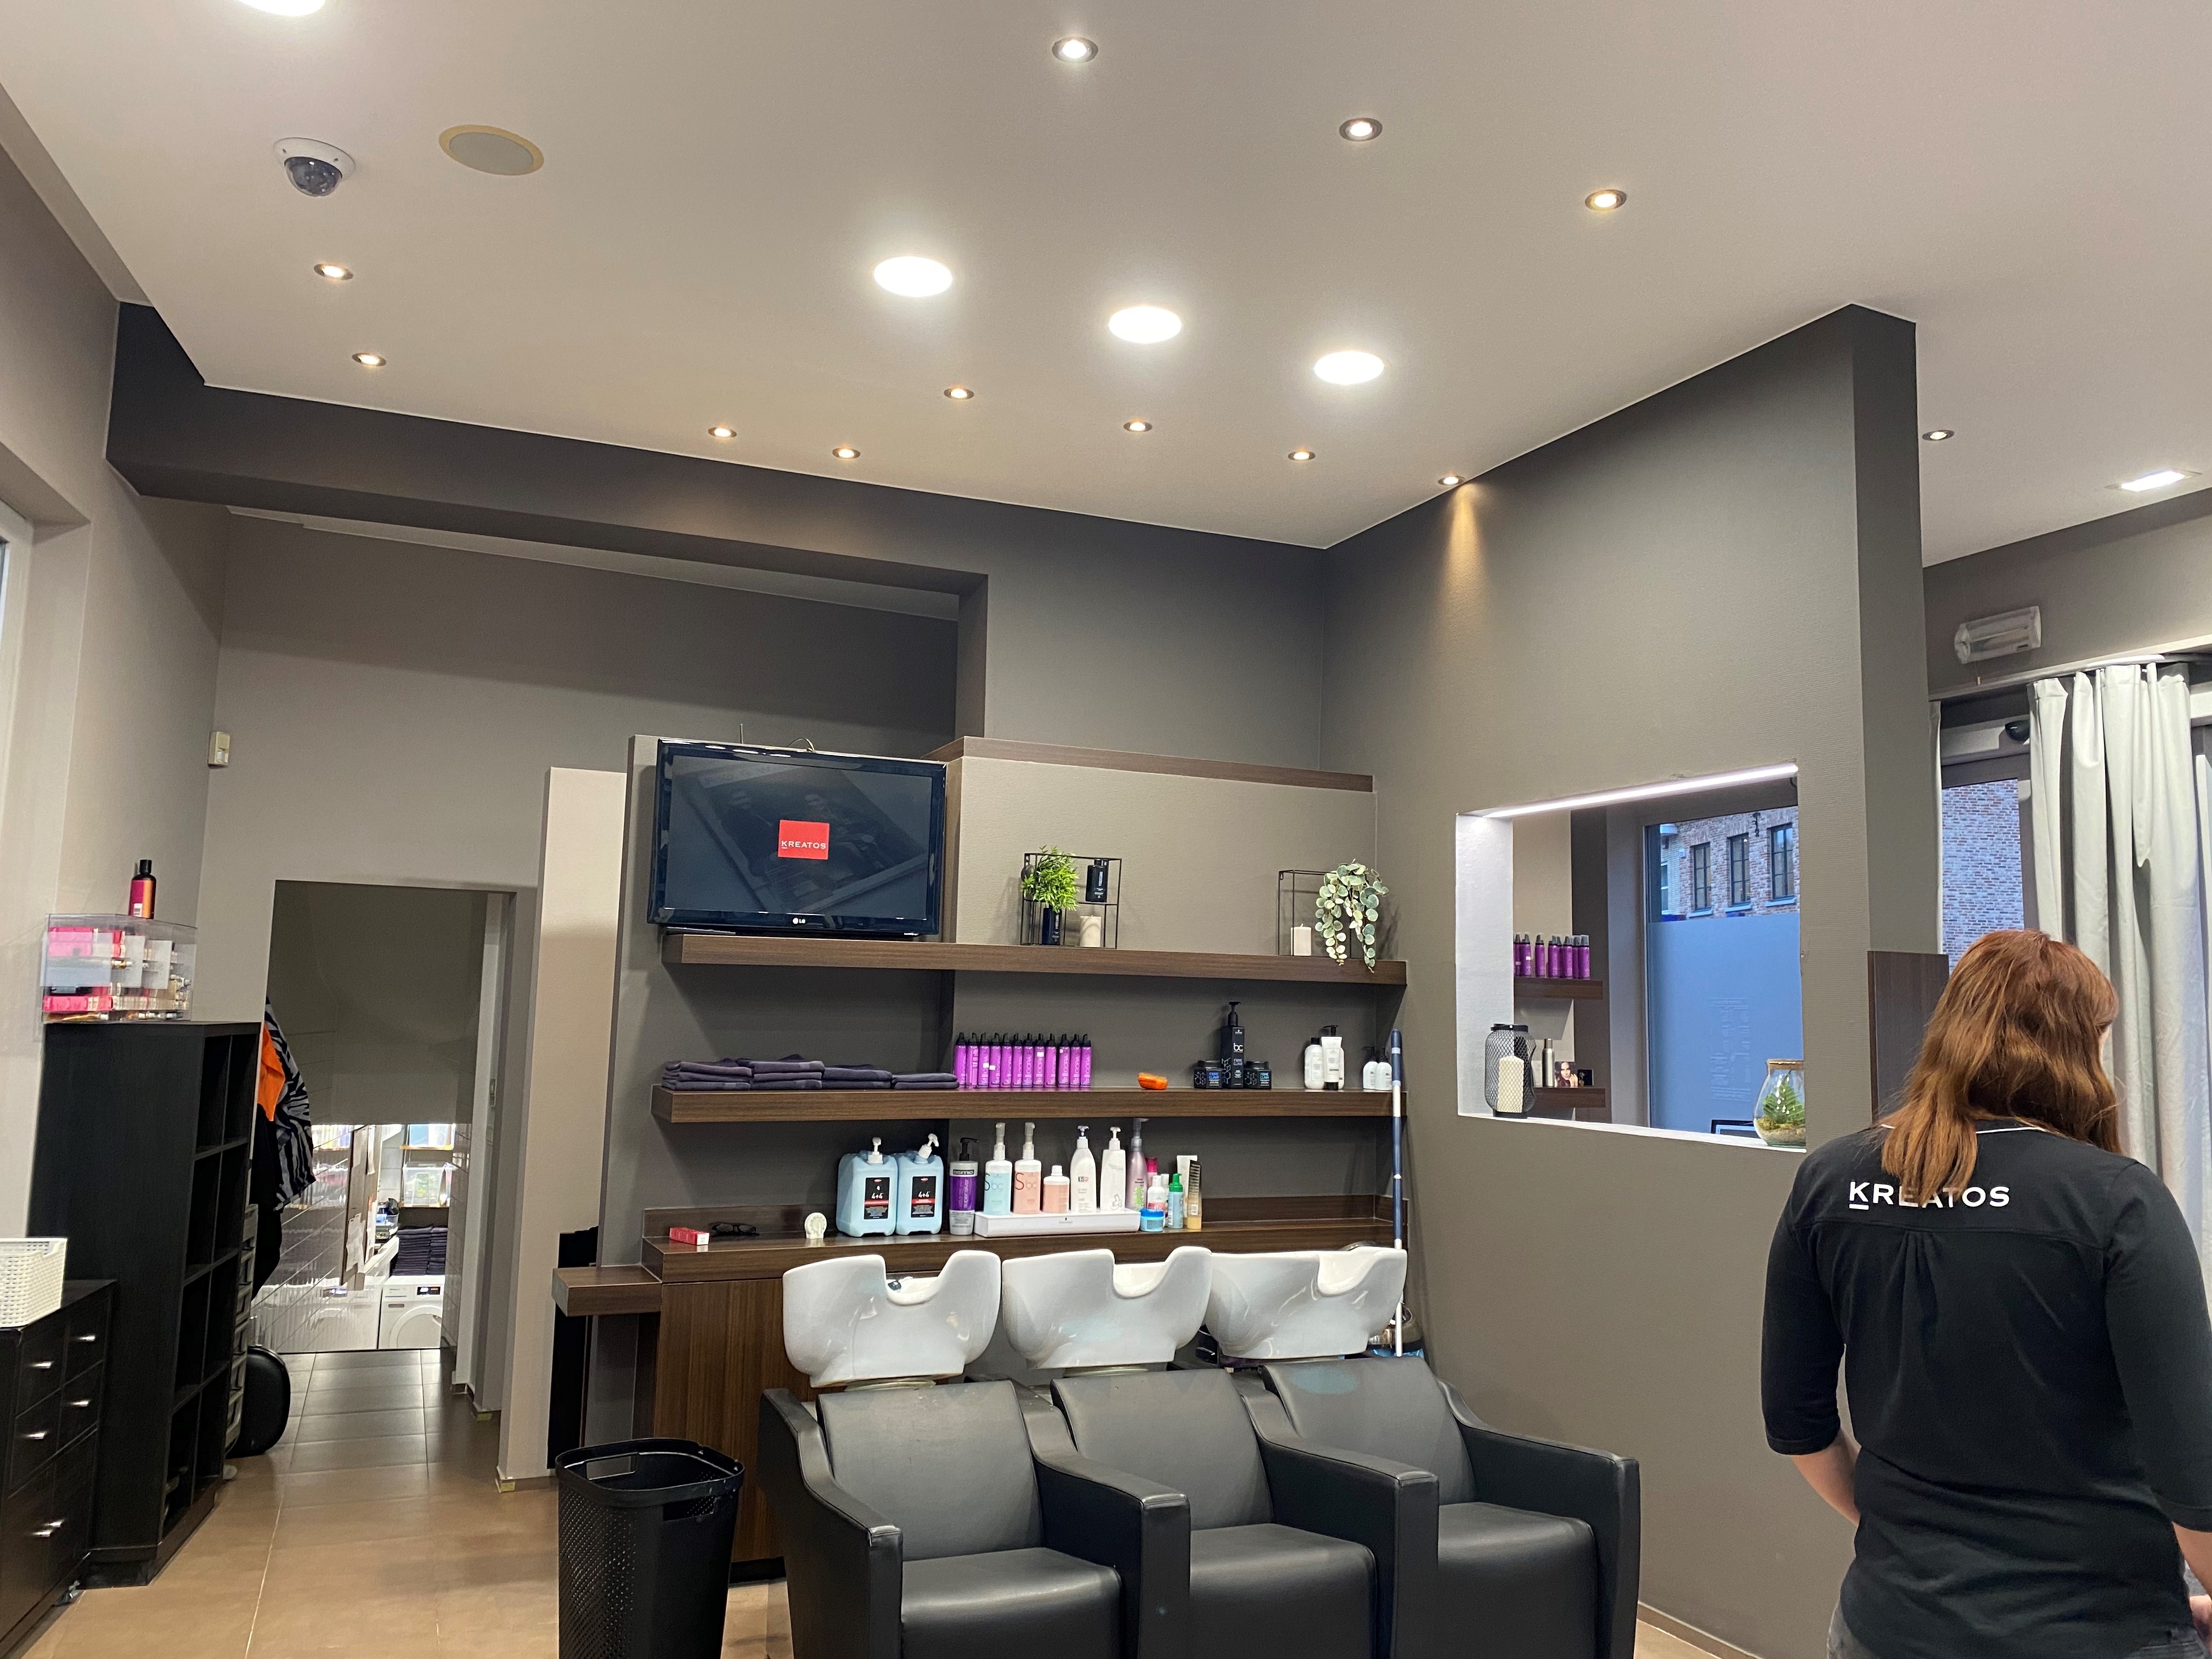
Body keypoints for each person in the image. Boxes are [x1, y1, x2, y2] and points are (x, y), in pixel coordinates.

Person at [1762, 929, 2212, 1659]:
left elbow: (1796, 1424)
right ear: (2076, 1051)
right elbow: (2193, 1479)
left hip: (1889, 1622)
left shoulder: (1830, 1181)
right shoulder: (2115, 1202)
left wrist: (1914, 1547)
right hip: (2094, 1629)